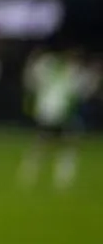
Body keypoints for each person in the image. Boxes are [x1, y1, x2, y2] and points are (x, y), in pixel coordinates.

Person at [19, 47, 99, 190]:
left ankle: (31, 174)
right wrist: (95, 75)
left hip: (48, 111)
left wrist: (32, 61)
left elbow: (31, 79)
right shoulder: (74, 73)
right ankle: (60, 179)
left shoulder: (50, 67)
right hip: (61, 112)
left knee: (46, 142)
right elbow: (86, 92)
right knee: (65, 144)